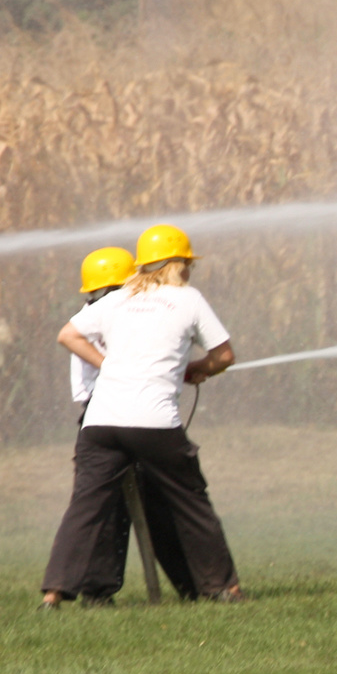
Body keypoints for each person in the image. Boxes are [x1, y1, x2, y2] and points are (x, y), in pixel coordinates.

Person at [41, 224, 243, 607]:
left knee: (85, 506)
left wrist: (111, 366)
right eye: (187, 264)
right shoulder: (188, 299)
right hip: (153, 423)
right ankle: (224, 588)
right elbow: (225, 356)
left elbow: (67, 334)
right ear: (179, 264)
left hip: (100, 424)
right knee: (191, 502)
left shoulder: (119, 299)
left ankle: (54, 592)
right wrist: (197, 368)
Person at [68, 248, 198, 605]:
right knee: (148, 506)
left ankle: (99, 592)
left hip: (102, 417)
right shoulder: (116, 314)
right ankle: (192, 585)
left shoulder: (95, 314)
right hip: (119, 413)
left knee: (111, 509)